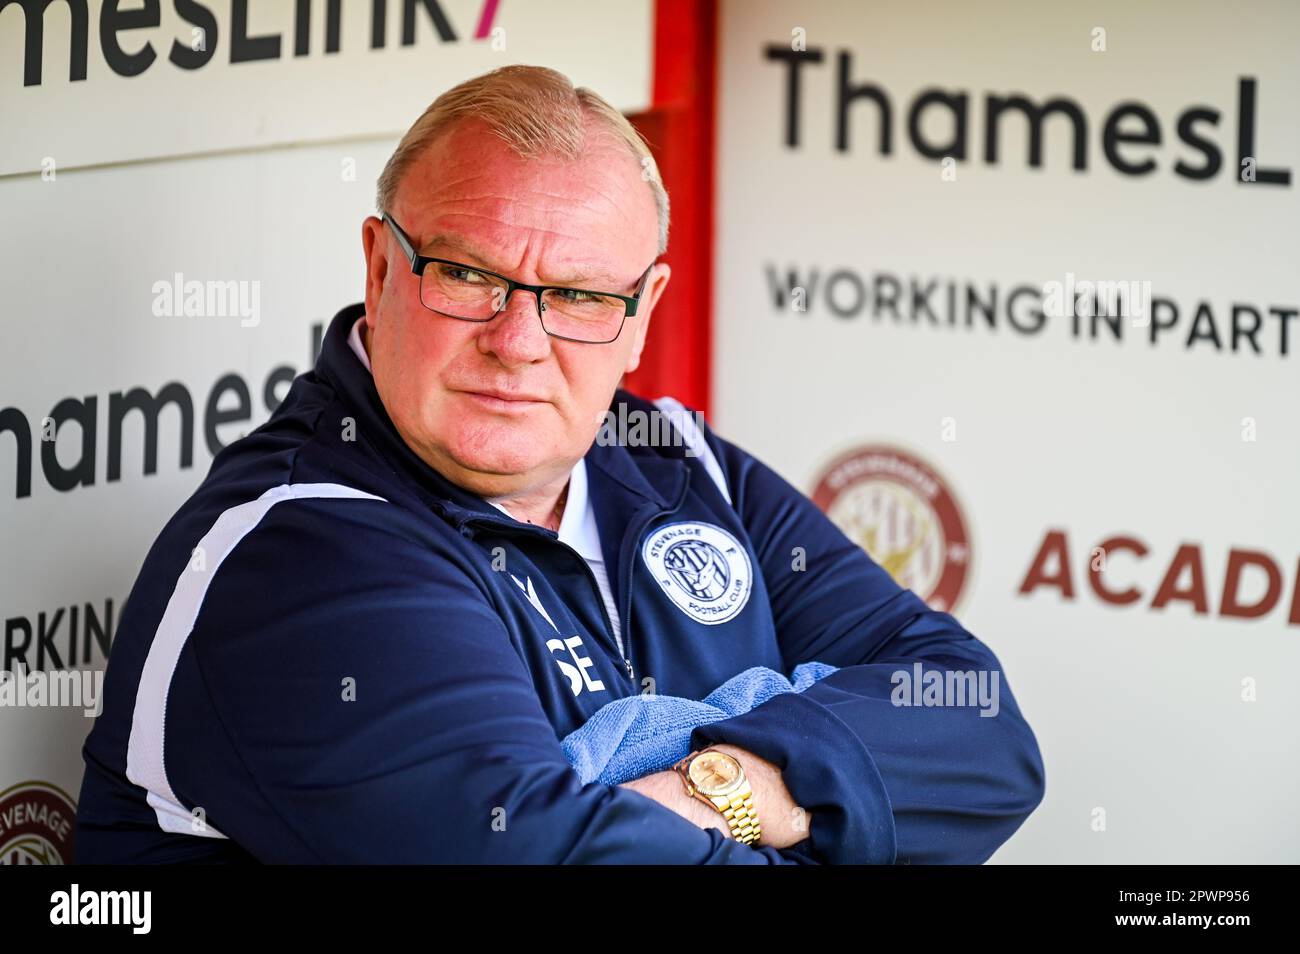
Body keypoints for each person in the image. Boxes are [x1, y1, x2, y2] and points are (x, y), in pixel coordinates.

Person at [74, 64, 1044, 864]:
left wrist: (712, 785)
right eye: (466, 274)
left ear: (641, 314)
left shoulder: (676, 461)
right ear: (379, 269)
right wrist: (806, 766)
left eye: (578, 294)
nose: (519, 340)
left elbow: (981, 725)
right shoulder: (302, 546)